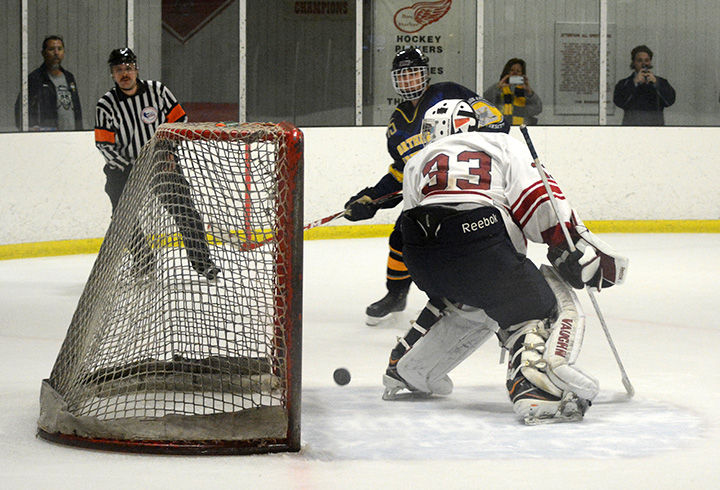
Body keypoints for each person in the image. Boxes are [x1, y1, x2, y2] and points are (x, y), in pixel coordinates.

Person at [380, 97, 628, 424]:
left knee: (470, 296)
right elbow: (539, 201)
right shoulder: (499, 143)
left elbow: (405, 229)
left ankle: (409, 365)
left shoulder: (417, 160)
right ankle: (535, 387)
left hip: (421, 256)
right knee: (534, 302)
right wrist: (569, 246)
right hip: (479, 246)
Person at [343, 47, 480, 325]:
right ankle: (396, 295)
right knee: (401, 237)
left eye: (414, 74)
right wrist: (372, 198)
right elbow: (401, 172)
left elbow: (496, 121)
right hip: (426, 194)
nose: (408, 81)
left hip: (467, 185)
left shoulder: (450, 93)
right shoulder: (396, 125)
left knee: (467, 239)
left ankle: (473, 296)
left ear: (425, 74)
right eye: (402, 76)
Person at [95, 48, 219, 280]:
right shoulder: (106, 104)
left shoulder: (158, 91)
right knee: (122, 218)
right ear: (112, 73)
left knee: (184, 211)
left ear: (136, 69)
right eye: (119, 70)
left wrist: (169, 151)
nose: (125, 74)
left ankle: (204, 263)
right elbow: (104, 144)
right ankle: (143, 260)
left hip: (161, 162)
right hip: (124, 169)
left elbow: (179, 121)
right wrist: (129, 166)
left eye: (129, 68)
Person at [14, 35, 82, 131]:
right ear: (43, 53)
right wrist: (30, 128)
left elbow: (76, 107)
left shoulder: (69, 77)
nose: (56, 53)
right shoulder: (35, 78)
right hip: (48, 136)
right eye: (51, 49)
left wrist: (79, 129)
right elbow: (20, 107)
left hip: (71, 134)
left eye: (59, 49)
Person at [613, 45, 675, 126]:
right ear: (633, 62)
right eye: (639, 60)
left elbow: (670, 101)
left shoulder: (661, 82)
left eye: (647, 60)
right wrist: (634, 83)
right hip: (632, 128)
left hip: (655, 128)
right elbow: (619, 102)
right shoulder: (624, 83)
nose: (644, 64)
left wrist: (657, 83)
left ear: (650, 62)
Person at [482, 58, 542, 125]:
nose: (515, 73)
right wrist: (498, 86)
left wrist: (529, 91)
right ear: (507, 72)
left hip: (522, 127)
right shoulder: (498, 89)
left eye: (518, 71)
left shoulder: (526, 92)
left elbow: (538, 109)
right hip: (501, 127)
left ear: (522, 74)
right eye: (512, 70)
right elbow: (484, 103)